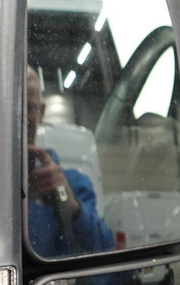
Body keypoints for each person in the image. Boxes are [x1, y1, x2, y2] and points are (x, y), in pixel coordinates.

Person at [26, 66, 114, 259]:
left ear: (41, 113)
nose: (20, 117)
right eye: (11, 108)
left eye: (29, 107)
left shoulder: (73, 183)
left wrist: (70, 205)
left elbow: (106, 249)